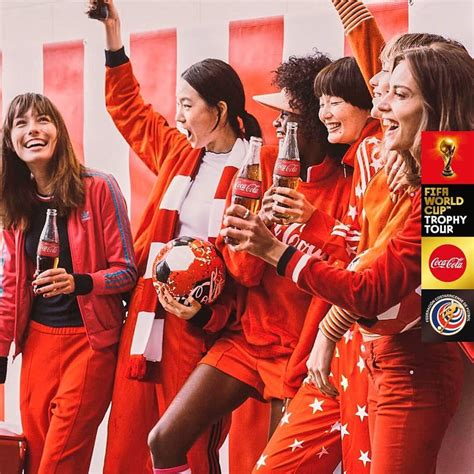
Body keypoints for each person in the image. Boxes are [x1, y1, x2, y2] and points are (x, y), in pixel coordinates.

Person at [222, 41, 473, 474]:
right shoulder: (436, 168)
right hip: (377, 352)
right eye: (381, 90)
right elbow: (377, 271)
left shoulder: (451, 177)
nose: (380, 106)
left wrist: (278, 252)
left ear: (437, 107)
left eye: (398, 94)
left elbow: (377, 290)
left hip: (410, 364)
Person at [147, 55, 378, 473]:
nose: (278, 125)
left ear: (316, 122)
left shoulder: (350, 182)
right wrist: (257, 235)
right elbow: (243, 272)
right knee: (163, 439)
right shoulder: (263, 164)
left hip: (302, 352)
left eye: (289, 117)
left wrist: (307, 229)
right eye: (278, 116)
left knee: (271, 466)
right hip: (248, 339)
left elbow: (356, 275)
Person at [92, 1, 267, 472]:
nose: (179, 114)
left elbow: (252, 266)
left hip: (204, 322)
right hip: (149, 310)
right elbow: (129, 110)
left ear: (220, 110)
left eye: (188, 105)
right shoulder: (177, 151)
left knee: (187, 443)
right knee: (128, 437)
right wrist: (113, 38)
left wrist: (205, 311)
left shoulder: (258, 167)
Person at [0, 92, 137, 474]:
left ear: (58, 130)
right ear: (10, 141)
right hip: (36, 346)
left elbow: (127, 271)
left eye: (42, 120)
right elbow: (10, 286)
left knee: (59, 464)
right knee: (34, 460)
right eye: (21, 123)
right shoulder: (15, 202)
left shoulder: (99, 187)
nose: (33, 129)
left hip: (89, 346)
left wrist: (79, 282)